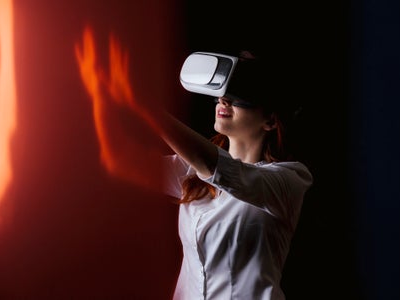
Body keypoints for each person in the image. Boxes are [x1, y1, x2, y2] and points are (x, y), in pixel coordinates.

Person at [76, 40, 313, 299]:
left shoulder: (288, 181)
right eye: (224, 89)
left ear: (270, 119)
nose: (224, 98)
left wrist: (144, 105)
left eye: (240, 93)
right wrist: (100, 91)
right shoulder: (190, 171)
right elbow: (121, 159)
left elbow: (216, 166)